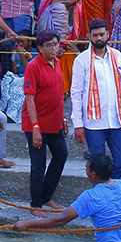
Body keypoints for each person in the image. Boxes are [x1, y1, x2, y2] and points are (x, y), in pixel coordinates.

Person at [23, 30, 69, 209]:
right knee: (38, 165)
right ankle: (36, 205)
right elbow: (29, 98)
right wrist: (35, 127)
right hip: (36, 124)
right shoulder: (33, 66)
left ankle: (46, 196)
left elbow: (58, 94)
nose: (54, 47)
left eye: (56, 43)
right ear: (40, 48)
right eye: (49, 45)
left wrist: (63, 118)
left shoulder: (57, 62)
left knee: (61, 155)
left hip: (55, 123)